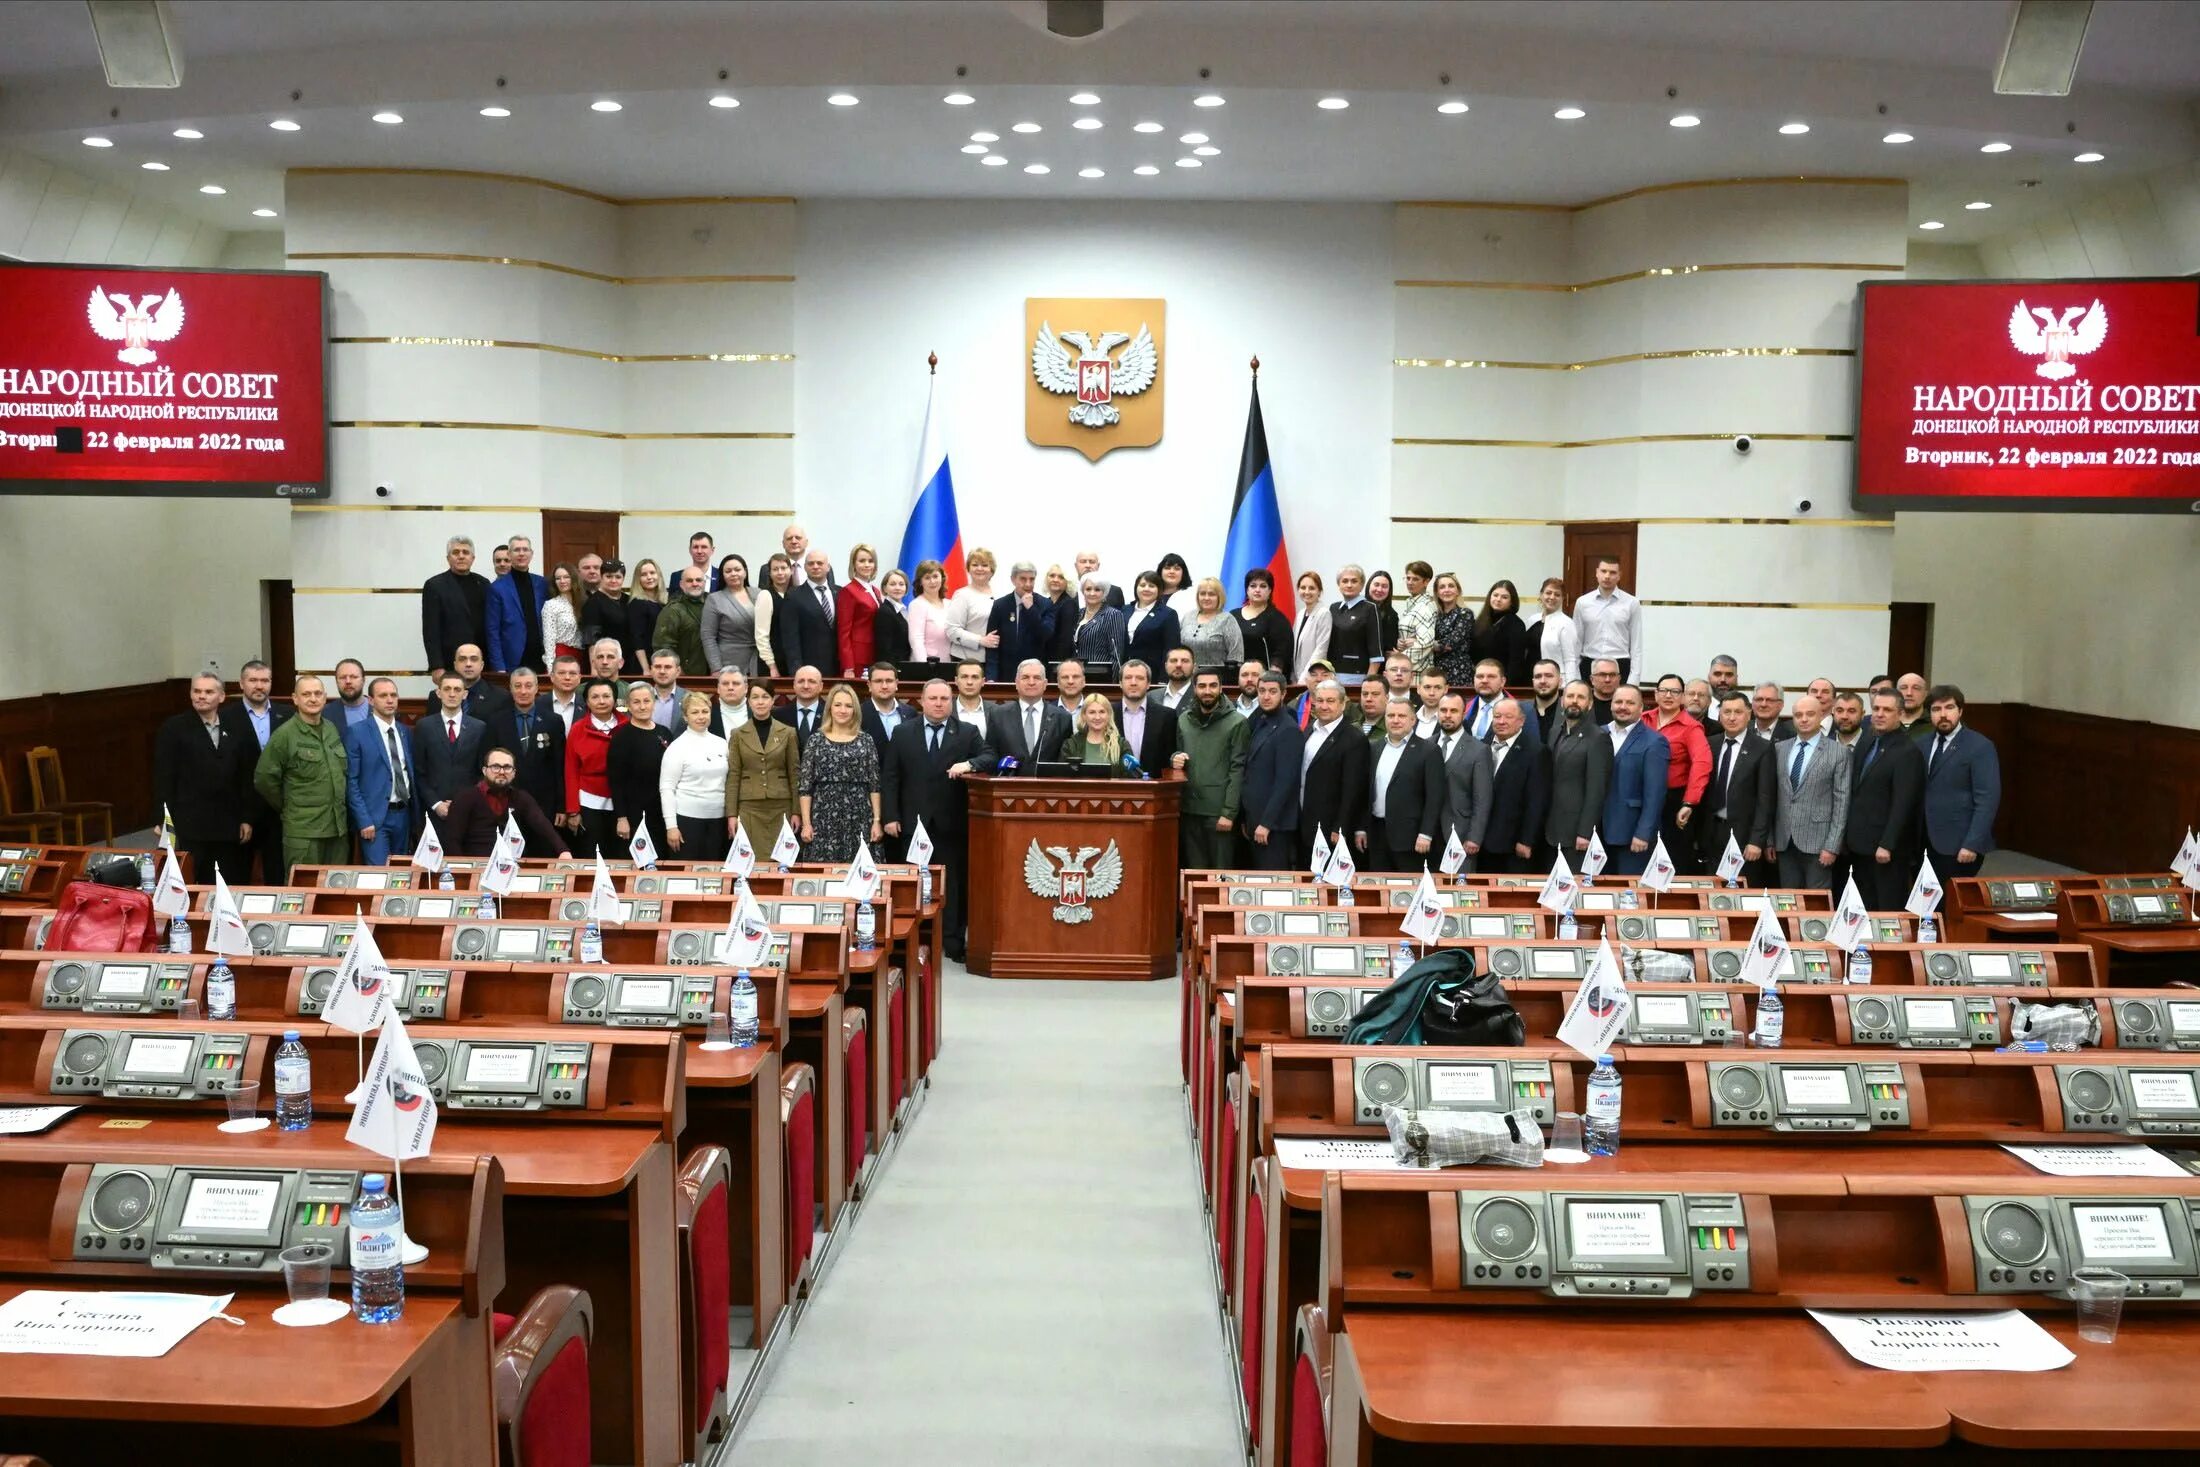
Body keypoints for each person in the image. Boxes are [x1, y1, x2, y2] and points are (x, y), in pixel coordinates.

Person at [881, 680, 990, 961]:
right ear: (921, 700)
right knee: (912, 887)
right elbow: (891, 777)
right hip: (911, 824)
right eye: (933, 698)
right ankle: (910, 942)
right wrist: (890, 816)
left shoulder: (966, 732)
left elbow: (990, 756)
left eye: (944, 698)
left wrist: (969, 765)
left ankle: (952, 943)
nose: (939, 703)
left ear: (951, 701)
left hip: (951, 824)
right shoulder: (903, 732)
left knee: (950, 887)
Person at [153, 672, 254, 885]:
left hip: (228, 823)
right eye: (196, 691)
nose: (202, 696)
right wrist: (162, 819)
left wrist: (247, 817)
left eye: (209, 692)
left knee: (227, 881)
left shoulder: (236, 726)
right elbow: (164, 777)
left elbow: (245, 775)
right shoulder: (174, 728)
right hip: (191, 823)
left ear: (222, 696)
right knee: (192, 881)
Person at [253, 675, 349, 879]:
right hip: (304, 832)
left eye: (317, 694)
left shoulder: (331, 729)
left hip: (337, 829)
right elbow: (264, 778)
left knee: (337, 892)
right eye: (306, 694)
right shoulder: (285, 735)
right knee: (303, 893)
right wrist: (289, 805)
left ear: (325, 698)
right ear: (295, 699)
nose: (312, 699)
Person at [1698, 692, 1779, 886]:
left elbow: (1765, 798)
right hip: (1712, 831)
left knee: (1740, 889)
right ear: (1719, 715)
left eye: (1738, 712)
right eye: (1726, 712)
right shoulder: (1711, 743)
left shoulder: (1762, 747)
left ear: (1748, 714)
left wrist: (1756, 841)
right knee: (1712, 887)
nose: (1732, 717)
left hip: (1744, 835)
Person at [1171, 670, 1249, 869]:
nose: (1208, 691)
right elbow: (1176, 753)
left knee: (1220, 875)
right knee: (1193, 875)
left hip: (1218, 813)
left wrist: (1229, 813)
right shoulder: (1183, 720)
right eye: (1202, 686)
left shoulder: (1237, 722)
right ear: (1194, 689)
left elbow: (1238, 770)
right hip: (1188, 810)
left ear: (1221, 688)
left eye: (1213, 686)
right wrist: (1174, 758)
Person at [1921, 684, 1999, 881]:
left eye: (1949, 708)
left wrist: (1972, 843)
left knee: (1951, 903)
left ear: (1960, 711)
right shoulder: (1922, 744)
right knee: (1926, 905)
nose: (1943, 714)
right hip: (1924, 841)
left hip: (1959, 844)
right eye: (1936, 709)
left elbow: (1987, 799)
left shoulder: (1979, 746)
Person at [1775, 693, 1851, 891]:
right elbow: (1773, 796)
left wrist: (1832, 845)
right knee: (1788, 901)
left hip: (1819, 843)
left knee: (1817, 904)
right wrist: (1769, 840)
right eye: (1798, 715)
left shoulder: (1838, 752)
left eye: (1810, 714)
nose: (1804, 719)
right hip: (1784, 840)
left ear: (1821, 716)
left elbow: (1842, 803)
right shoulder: (1779, 749)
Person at [341, 677, 416, 866]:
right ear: (371, 700)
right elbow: (352, 780)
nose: (390, 700)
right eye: (383, 696)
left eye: (393, 695)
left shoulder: (404, 731)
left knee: (402, 874)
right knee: (379, 874)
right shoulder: (357, 732)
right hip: (375, 818)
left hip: (404, 814)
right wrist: (364, 820)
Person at [485, 666, 566, 840]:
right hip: (505, 800)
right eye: (518, 686)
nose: (523, 691)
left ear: (537, 688)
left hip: (545, 805)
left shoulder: (553, 721)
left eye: (528, 686)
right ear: (510, 688)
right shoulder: (495, 721)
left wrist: (561, 806)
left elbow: (559, 766)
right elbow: (485, 764)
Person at [443, 747, 569, 857]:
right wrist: (460, 870)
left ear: (514, 773)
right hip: (475, 867)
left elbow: (543, 826)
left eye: (507, 767)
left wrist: (563, 851)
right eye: (496, 767)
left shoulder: (521, 798)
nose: (502, 772)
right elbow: (452, 840)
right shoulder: (465, 797)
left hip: (511, 866)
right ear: (484, 770)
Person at [1298, 679, 1370, 867]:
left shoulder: (1354, 739)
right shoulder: (1308, 731)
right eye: (1320, 701)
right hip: (1304, 822)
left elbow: (1354, 789)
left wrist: (1341, 826)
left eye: (1330, 701)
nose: (1324, 706)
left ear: (1343, 703)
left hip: (1331, 828)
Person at [1365, 697, 1441, 872]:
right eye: (1391, 715)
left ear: (1413, 720)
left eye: (1401, 716)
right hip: (1377, 834)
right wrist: (1362, 828)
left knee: (1408, 891)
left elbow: (1435, 797)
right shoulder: (1374, 748)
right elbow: (1367, 791)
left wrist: (1426, 833)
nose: (1396, 720)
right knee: (1379, 889)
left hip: (1411, 838)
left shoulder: (1428, 750)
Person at [1597, 685, 1667, 875]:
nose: (1623, 706)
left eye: (1630, 702)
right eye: (1618, 701)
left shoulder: (1654, 742)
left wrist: (1643, 833)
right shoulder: (1598, 734)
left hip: (1632, 835)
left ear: (1641, 708)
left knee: (1629, 894)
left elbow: (1655, 794)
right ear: (1611, 705)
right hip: (1596, 833)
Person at [728, 680, 801, 858]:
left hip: (781, 805)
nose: (760, 702)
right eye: (755, 697)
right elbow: (734, 775)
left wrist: (796, 811)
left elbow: (794, 773)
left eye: (765, 697)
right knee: (749, 858)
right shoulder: (738, 734)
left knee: (781, 859)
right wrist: (731, 814)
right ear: (748, 701)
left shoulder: (788, 732)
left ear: (772, 700)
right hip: (749, 807)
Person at [1545, 680, 1613, 872]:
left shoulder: (1598, 738)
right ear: (1562, 701)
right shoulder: (1554, 732)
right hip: (1551, 830)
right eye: (1570, 696)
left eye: (1581, 697)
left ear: (1590, 704)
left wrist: (1585, 832)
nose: (1574, 701)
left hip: (1577, 834)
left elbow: (1597, 789)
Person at [1238, 673, 1303, 869]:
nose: (1266, 696)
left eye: (1273, 692)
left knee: (1273, 884)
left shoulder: (1288, 729)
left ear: (1283, 694)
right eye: (1262, 691)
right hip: (1254, 820)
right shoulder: (1261, 722)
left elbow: (1285, 782)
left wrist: (1266, 823)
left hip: (1274, 826)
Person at [1648, 673, 1712, 872]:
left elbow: (1702, 763)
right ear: (1655, 694)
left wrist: (1689, 802)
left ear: (1682, 697)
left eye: (1675, 691)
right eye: (1664, 691)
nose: (1669, 695)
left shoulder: (1692, 727)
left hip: (1673, 803)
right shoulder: (1643, 720)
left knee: (1671, 861)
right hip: (1641, 798)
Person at [658, 691, 732, 862]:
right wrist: (671, 827)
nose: (701, 716)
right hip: (686, 822)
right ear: (685, 717)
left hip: (718, 821)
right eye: (695, 712)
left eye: (705, 711)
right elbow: (667, 789)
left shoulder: (722, 743)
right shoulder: (677, 748)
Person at [413, 671, 489, 836]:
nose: (452, 694)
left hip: (469, 811)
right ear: (438, 693)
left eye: (457, 689)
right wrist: (436, 804)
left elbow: (482, 773)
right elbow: (419, 772)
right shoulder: (424, 727)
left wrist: (463, 803)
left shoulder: (479, 728)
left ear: (465, 694)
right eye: (447, 689)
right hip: (433, 812)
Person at [1479, 698, 1550, 873]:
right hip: (1480, 841)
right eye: (1497, 716)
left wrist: (1526, 840)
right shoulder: (1482, 747)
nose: (1501, 721)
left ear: (1521, 721)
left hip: (1513, 843)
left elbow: (1537, 801)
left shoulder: (1536, 751)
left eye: (1508, 717)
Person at [1430, 691, 1493, 871]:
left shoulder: (1479, 750)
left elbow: (1483, 799)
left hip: (1461, 834)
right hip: (1428, 835)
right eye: (1443, 710)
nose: (1447, 715)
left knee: (1458, 889)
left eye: (1453, 711)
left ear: (1463, 713)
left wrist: (1475, 836)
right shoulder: (1427, 744)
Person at [609, 683, 674, 856]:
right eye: (636, 702)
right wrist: (621, 818)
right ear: (628, 706)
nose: (642, 706)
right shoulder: (621, 737)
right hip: (634, 813)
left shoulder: (665, 733)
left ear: (654, 703)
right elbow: (616, 781)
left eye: (647, 701)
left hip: (662, 811)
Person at [564, 677, 625, 858]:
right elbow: (570, 770)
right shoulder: (577, 729)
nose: (601, 701)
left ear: (614, 699)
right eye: (595, 697)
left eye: (606, 696)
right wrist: (573, 810)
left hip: (622, 802)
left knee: (620, 855)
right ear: (587, 701)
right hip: (589, 800)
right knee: (591, 853)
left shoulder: (627, 726)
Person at [421, 534, 491, 679]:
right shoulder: (435, 585)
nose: (461, 556)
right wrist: (436, 666)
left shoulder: (484, 584)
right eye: (455, 552)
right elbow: (431, 630)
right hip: (449, 662)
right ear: (448, 558)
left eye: (465, 552)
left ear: (473, 558)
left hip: (481, 662)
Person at [987, 659, 1072, 769]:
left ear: (1045, 684)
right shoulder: (998, 715)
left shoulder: (1062, 718)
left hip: (1047, 784)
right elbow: (990, 754)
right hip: (1008, 783)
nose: (1031, 682)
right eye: (1025, 677)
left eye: (1037, 678)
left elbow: (1064, 761)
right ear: (1016, 683)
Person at [1572, 556, 1642, 684]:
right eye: (1603, 571)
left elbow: (1636, 645)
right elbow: (1576, 642)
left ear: (1619, 575)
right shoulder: (1582, 602)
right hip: (1590, 663)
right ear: (1597, 573)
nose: (1607, 576)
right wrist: (1574, 676)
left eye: (1612, 572)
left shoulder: (1632, 603)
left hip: (1621, 664)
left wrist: (1634, 680)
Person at [485, 532, 547, 673]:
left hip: (540, 659)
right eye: (516, 550)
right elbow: (492, 631)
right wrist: (499, 667)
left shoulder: (542, 583)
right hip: (512, 661)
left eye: (525, 549)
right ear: (509, 554)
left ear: (531, 554)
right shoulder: (497, 588)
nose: (521, 553)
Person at [982, 560, 1053, 681]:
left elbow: (1046, 634)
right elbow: (993, 644)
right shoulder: (1000, 605)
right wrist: (991, 677)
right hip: (1006, 674)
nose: (1028, 584)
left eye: (1032, 579)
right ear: (1013, 580)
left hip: (1034, 674)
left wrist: (1031, 609)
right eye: (1023, 579)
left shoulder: (1045, 604)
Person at [782, 549, 840, 675]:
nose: (815, 566)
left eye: (820, 563)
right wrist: (796, 669)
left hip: (839, 667)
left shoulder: (841, 593)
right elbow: (790, 638)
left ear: (828, 567)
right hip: (809, 669)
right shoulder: (793, 596)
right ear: (805, 567)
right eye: (811, 563)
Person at [701, 553, 758, 676]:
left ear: (745, 572)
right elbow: (708, 637)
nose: (733, 574)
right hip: (729, 662)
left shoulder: (759, 593)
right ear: (722, 575)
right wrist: (716, 668)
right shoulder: (714, 599)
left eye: (737, 569)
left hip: (759, 660)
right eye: (728, 571)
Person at [1115, 660, 1177, 771]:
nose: (1133, 682)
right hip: (1116, 785)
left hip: (1154, 784)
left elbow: (1170, 758)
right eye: (1128, 677)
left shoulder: (1167, 716)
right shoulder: (1106, 713)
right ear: (1120, 683)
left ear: (1148, 684)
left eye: (1140, 678)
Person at [1234, 569, 1295, 681]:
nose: (1257, 590)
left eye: (1263, 586)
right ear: (1247, 590)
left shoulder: (1277, 619)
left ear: (1270, 590)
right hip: (1235, 679)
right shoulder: (1232, 616)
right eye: (1253, 586)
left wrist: (1271, 679)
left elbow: (1281, 654)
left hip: (1265, 681)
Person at [1462, 659, 1539, 745]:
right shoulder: (1462, 709)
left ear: (1502, 682)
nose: (1484, 681)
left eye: (1491, 677)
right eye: (1480, 676)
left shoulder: (1523, 711)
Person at [835, 544, 884, 677]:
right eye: (862, 561)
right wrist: (848, 666)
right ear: (853, 564)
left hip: (874, 654)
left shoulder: (875, 590)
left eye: (870, 561)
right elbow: (843, 632)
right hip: (857, 658)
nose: (867, 564)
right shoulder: (848, 591)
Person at [1327, 565, 1381, 685]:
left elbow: (1376, 650)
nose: (1349, 585)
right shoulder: (1333, 608)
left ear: (1362, 585)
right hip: (1331, 675)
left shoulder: (1370, 608)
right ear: (1339, 585)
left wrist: (1369, 682)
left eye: (1354, 581)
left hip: (1357, 676)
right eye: (1345, 581)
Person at [946, 548, 1000, 666]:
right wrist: (981, 640)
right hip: (966, 660)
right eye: (975, 565)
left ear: (992, 570)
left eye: (984, 565)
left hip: (995, 660)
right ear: (968, 569)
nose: (979, 568)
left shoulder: (1000, 594)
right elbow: (952, 630)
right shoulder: (962, 595)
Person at [1471, 579, 1530, 687]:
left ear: (1512, 601)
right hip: (1480, 681)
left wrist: (1507, 687)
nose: (1498, 599)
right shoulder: (1481, 621)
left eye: (1504, 597)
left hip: (1502, 684)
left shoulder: (1516, 624)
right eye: (1495, 595)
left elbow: (1516, 662)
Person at [653, 565, 711, 675]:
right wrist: (678, 671)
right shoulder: (673, 610)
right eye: (689, 581)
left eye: (698, 580)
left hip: (715, 673)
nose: (695, 584)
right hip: (686, 675)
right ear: (681, 585)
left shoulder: (714, 603)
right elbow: (663, 647)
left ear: (704, 583)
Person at [1180, 576, 1244, 675]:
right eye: (1202, 594)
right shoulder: (1188, 616)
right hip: (1185, 677)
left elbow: (1236, 656)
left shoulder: (1227, 619)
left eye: (1211, 594)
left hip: (1215, 680)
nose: (1206, 598)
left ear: (1219, 597)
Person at [580, 559, 634, 672]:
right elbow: (591, 639)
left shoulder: (629, 600)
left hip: (627, 662)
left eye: (618, 577)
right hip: (604, 664)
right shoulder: (593, 603)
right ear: (601, 577)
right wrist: (594, 670)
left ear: (623, 578)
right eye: (609, 576)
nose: (613, 580)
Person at [1122, 571, 1181, 674]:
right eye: (1142, 585)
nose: (1146, 589)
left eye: (1152, 586)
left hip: (1153, 673)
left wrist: (1164, 678)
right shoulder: (1124, 610)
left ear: (1159, 590)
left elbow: (1171, 650)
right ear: (1136, 588)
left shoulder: (1168, 614)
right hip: (1124, 672)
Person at [751, 551, 798, 679]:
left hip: (793, 662)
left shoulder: (796, 595)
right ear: (770, 573)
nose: (780, 572)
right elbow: (761, 635)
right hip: (772, 663)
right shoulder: (765, 595)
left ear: (791, 570)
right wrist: (772, 666)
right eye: (775, 569)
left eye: (783, 568)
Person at [1060, 692, 1133, 773]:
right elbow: (1062, 776)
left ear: (1108, 715)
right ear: (1084, 715)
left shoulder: (1121, 745)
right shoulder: (1071, 745)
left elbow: (1131, 777)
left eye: (1102, 712)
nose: (1097, 717)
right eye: (1092, 712)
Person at [1069, 573, 1127, 676]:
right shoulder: (1078, 613)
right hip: (1076, 674)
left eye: (1097, 590)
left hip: (1100, 675)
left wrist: (1112, 684)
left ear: (1104, 592)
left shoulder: (1113, 614)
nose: (1092, 593)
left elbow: (1116, 653)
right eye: (1088, 589)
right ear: (1083, 591)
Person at [906, 558, 957, 666]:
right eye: (927, 578)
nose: (932, 581)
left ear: (942, 578)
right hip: (928, 665)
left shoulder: (950, 604)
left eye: (935, 576)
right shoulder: (917, 605)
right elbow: (916, 641)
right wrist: (925, 666)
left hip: (948, 664)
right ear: (920, 582)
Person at [861, 662, 914, 765]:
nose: (884, 686)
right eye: (878, 681)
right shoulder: (859, 713)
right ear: (869, 685)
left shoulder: (910, 713)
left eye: (889, 681)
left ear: (896, 684)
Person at [1528, 577, 1578, 683]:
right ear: (1541, 595)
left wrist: (1570, 686)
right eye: (1548, 593)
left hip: (1555, 681)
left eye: (1557, 594)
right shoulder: (1532, 620)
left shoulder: (1566, 623)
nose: (1552, 597)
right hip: (1531, 677)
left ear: (1563, 598)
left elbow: (1570, 660)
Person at [1429, 572, 1475, 686]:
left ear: (1458, 591)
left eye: (1451, 586)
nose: (1447, 590)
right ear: (1437, 593)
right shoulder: (1436, 615)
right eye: (1442, 587)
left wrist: (1424, 645)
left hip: (1459, 671)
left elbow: (1450, 643)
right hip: (1437, 670)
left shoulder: (1465, 613)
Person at [449, 643, 512, 723]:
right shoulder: (438, 698)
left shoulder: (501, 697)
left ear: (482, 665)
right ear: (455, 665)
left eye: (474, 659)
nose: (468, 664)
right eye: (462, 659)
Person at [1393, 561, 1437, 673]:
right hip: (1409, 668)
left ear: (1426, 581)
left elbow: (1425, 644)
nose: (1410, 582)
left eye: (1415, 579)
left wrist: (1399, 658)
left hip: (1417, 670)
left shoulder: (1425, 607)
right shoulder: (1412, 604)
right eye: (1408, 578)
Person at [626, 559, 667, 676]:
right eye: (644, 574)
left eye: (652, 573)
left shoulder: (664, 602)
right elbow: (637, 638)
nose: (649, 577)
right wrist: (645, 668)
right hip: (644, 663)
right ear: (638, 579)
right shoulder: (637, 604)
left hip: (660, 660)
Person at [541, 564, 585, 670]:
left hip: (582, 656)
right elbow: (549, 639)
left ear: (574, 578)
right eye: (558, 578)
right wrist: (550, 667)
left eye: (566, 577)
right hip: (562, 655)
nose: (562, 581)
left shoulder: (583, 602)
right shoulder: (551, 605)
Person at [1292, 570, 1332, 679]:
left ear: (1319, 591)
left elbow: (1321, 650)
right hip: (1297, 675)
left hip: (1313, 676)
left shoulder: (1324, 613)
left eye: (1312, 588)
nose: (1307, 591)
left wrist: (1305, 677)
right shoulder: (1301, 613)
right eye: (1303, 587)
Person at [777, 665, 827, 748]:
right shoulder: (778, 715)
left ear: (821, 686)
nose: (806, 686)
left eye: (812, 681)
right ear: (794, 685)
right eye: (801, 681)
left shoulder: (831, 715)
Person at [872, 569, 912, 666]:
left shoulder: (903, 610)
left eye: (901, 584)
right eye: (893, 584)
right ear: (885, 588)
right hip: (894, 667)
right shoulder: (885, 612)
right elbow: (884, 648)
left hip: (904, 664)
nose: (897, 588)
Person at [1040, 563, 1079, 663]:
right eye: (1052, 576)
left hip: (1058, 663)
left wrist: (1058, 666)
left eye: (1061, 577)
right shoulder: (1046, 603)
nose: (1055, 580)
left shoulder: (1069, 604)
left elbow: (1065, 640)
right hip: (1044, 660)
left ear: (1067, 582)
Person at [643, 649, 684, 731]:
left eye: (668, 667)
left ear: (678, 671)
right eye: (657, 667)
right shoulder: (640, 698)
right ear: (651, 670)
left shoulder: (690, 698)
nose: (662, 671)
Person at [1365, 571, 1401, 664]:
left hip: (1379, 667)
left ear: (1389, 590)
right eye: (1376, 585)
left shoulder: (1391, 616)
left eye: (1384, 586)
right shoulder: (1357, 609)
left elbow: (1389, 649)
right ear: (1369, 585)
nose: (1379, 589)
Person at [1528, 660, 1566, 744]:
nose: (1543, 681)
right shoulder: (1520, 711)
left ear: (1560, 682)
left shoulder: (1570, 711)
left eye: (1549, 676)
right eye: (1538, 676)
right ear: (1533, 681)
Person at [707, 667, 750, 738]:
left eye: (736, 683)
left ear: (745, 688)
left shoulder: (758, 716)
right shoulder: (707, 716)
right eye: (725, 683)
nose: (730, 687)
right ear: (718, 689)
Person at [1155, 551, 1197, 621]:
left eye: (1177, 569)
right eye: (1167, 568)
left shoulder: (1191, 596)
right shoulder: (1151, 594)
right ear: (1160, 572)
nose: (1172, 572)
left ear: (1183, 573)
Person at [951, 660, 990, 733]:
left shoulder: (997, 712)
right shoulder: (946, 710)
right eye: (964, 677)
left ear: (983, 681)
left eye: (975, 677)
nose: (969, 682)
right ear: (956, 681)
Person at [332, 658, 372, 727]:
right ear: (336, 681)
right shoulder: (326, 713)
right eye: (342, 677)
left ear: (363, 680)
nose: (348, 681)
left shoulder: (379, 709)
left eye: (354, 677)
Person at [547, 655, 583, 729]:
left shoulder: (588, 706)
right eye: (561, 673)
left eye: (572, 673)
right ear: (552, 677)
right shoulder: (537, 705)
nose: (567, 677)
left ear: (579, 678)